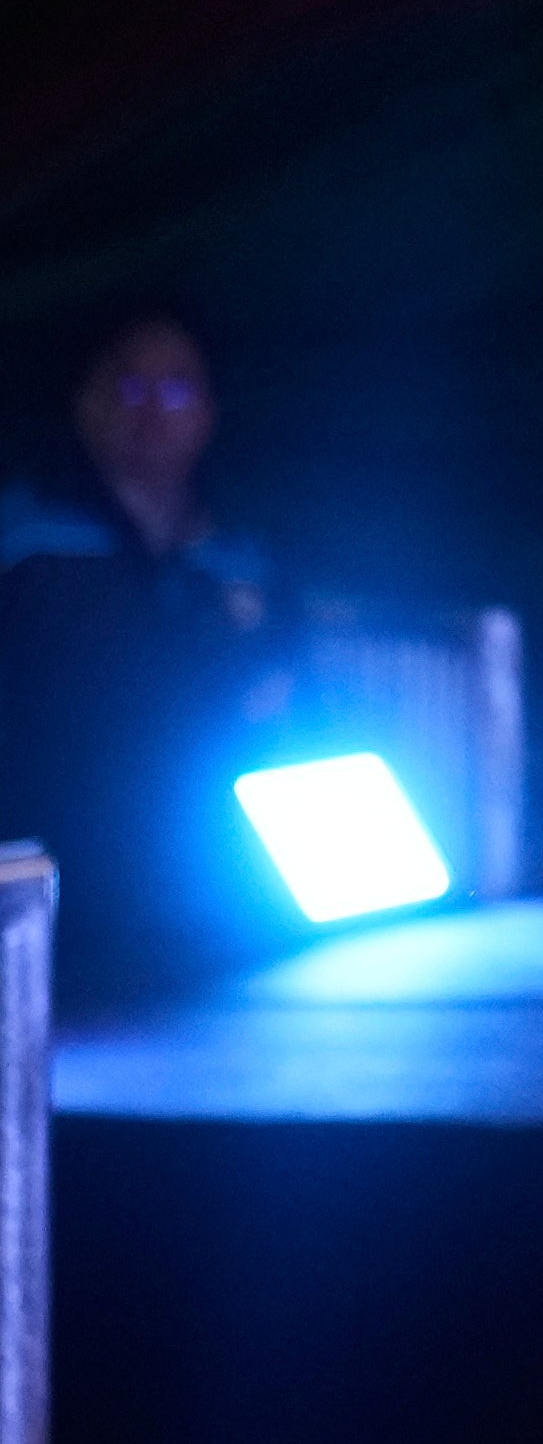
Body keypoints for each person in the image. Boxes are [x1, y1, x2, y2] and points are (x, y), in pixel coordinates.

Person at [0, 315, 290, 996]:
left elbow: (289, 690)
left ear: (209, 413)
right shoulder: (24, 535)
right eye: (130, 388)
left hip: (210, 878)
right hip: (49, 862)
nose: (154, 411)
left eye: (178, 391)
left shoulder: (240, 554)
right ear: (88, 403)